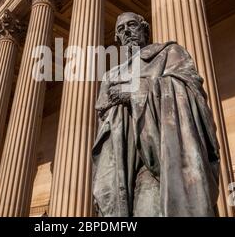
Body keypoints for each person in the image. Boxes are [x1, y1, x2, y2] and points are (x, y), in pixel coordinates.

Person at [92, 12, 220, 217]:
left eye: (131, 25)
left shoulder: (169, 53)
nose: (126, 32)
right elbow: (104, 125)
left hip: (159, 164)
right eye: (120, 29)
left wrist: (134, 93)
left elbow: (189, 93)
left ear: (145, 29)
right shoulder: (111, 75)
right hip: (120, 167)